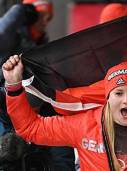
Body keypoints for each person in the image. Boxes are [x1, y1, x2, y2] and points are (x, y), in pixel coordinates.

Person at [2, 55, 127, 171]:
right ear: (108, 98)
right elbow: (30, 128)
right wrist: (13, 86)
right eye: (119, 93)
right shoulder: (85, 126)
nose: (126, 100)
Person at [0, 1, 75, 170]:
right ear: (30, 15)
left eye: (49, 18)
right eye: (41, 16)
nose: (45, 22)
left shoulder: (42, 45)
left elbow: (63, 163)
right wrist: (19, 11)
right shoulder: (12, 37)